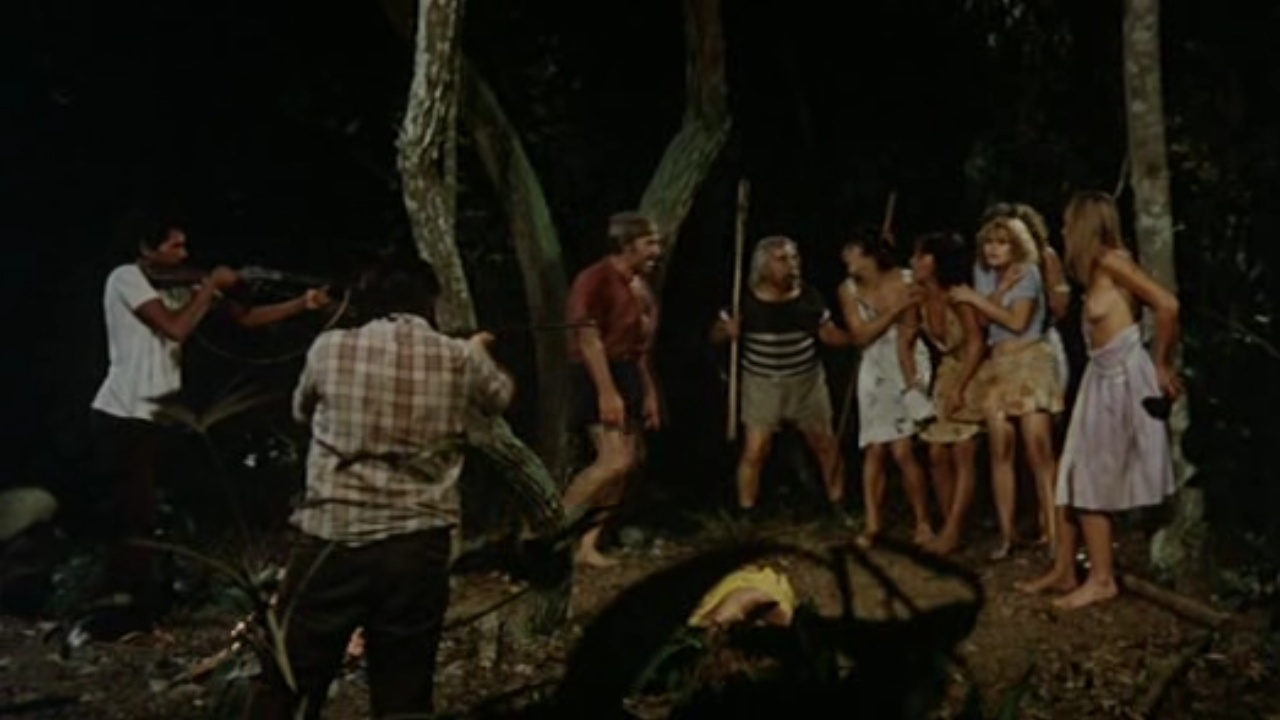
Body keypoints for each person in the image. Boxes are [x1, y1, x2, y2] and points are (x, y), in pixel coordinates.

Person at [255, 257, 515, 718]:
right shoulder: (458, 356)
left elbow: (300, 411)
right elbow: (501, 397)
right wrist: (479, 349)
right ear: (429, 301)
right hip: (418, 544)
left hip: (333, 536)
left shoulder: (329, 348)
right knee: (404, 688)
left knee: (290, 678)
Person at [89, 217, 329, 634]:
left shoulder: (179, 285)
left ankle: (141, 606)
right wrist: (210, 285)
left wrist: (302, 303)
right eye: (175, 246)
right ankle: (120, 614)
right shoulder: (125, 278)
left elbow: (246, 318)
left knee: (151, 516)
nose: (184, 254)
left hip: (157, 415)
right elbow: (175, 328)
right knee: (133, 520)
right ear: (146, 248)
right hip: (122, 414)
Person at [1016, 190, 1179, 610]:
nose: (1063, 229)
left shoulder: (1112, 262)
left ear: (1085, 224)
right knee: (1071, 471)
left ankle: (1102, 579)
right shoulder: (1094, 269)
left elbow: (1167, 305)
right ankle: (1065, 569)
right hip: (1099, 376)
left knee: (1090, 478)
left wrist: (1161, 364)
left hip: (1122, 377)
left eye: (1069, 222)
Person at [710, 236, 852, 515]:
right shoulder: (743, 300)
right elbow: (714, 335)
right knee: (756, 449)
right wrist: (726, 331)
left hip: (806, 381)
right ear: (764, 267)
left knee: (825, 443)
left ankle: (838, 504)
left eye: (794, 258)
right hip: (762, 383)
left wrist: (855, 337)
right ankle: (747, 511)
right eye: (782, 259)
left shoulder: (808, 297)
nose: (792, 265)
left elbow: (828, 334)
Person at [949, 216, 1064, 559]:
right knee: (1000, 448)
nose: (994, 249)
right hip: (1000, 365)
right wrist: (993, 293)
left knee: (1038, 448)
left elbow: (1017, 321)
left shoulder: (1027, 272)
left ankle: (1055, 533)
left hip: (1030, 361)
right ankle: (1007, 534)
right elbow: (984, 321)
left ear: (1016, 246)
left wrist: (974, 298)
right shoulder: (984, 273)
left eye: (1002, 242)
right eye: (989, 242)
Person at [560, 211, 664, 567]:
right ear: (627, 245)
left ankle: (587, 545)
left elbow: (640, 348)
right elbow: (587, 337)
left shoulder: (639, 286)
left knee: (629, 460)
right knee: (613, 459)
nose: (656, 251)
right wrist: (607, 391)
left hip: (626, 370)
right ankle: (549, 532)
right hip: (596, 371)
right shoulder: (595, 278)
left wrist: (648, 391)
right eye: (649, 243)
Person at [837, 228, 933, 547]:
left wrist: (911, 381)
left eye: (851, 250)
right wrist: (894, 310)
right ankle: (872, 524)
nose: (845, 257)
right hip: (874, 364)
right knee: (875, 448)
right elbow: (860, 335)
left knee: (903, 449)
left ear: (869, 254)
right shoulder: (848, 290)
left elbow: (910, 331)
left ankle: (923, 522)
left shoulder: (906, 280)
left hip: (907, 359)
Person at [909, 232, 986, 555]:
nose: (914, 262)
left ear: (936, 262)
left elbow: (976, 344)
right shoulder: (920, 299)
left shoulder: (958, 297)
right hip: (947, 373)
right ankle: (950, 525)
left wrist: (960, 388)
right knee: (937, 453)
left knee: (963, 449)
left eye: (920, 256)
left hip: (974, 372)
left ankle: (954, 529)